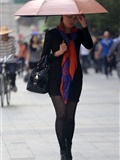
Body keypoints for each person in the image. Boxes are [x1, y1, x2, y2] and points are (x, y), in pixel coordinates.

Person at [42, 15, 93, 160]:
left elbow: (89, 45)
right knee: (62, 114)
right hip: (55, 79)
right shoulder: (52, 33)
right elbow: (44, 57)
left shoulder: (78, 33)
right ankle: (63, 151)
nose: (72, 20)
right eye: (70, 17)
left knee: (70, 116)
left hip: (75, 78)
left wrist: (84, 26)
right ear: (63, 16)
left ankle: (68, 147)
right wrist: (57, 53)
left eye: (75, 18)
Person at [0, 26, 19, 92]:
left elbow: (17, 47)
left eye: (5, 34)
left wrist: (16, 54)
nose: (4, 35)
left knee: (12, 72)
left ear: (8, 34)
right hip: (1, 60)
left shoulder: (12, 39)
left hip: (11, 59)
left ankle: (12, 85)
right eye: (3, 34)